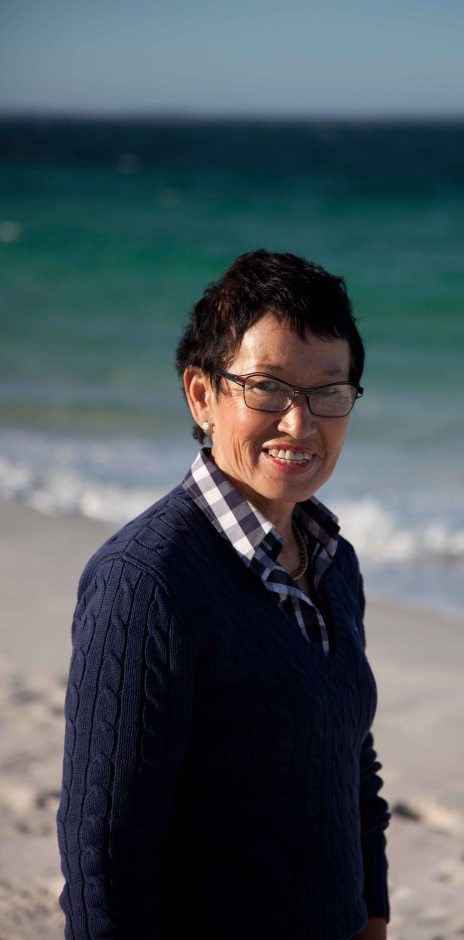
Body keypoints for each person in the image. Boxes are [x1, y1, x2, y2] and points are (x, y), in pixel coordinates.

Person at [57, 249, 390, 940]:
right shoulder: (147, 582)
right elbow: (105, 851)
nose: (299, 425)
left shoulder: (332, 560)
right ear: (202, 395)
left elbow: (348, 761)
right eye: (266, 388)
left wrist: (371, 915)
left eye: (328, 392)